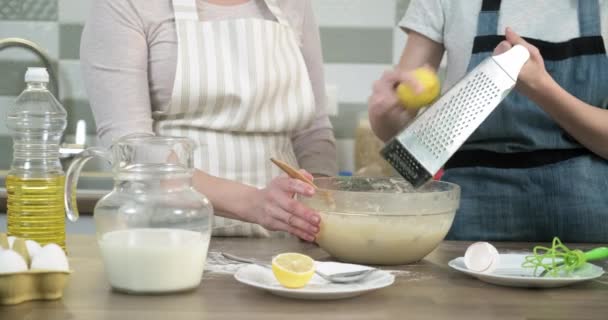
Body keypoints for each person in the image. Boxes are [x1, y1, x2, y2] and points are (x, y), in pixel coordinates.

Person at [80, 0, 337, 241]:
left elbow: (312, 131)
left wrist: (320, 208)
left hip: (285, 247)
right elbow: (131, 148)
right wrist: (252, 203)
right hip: (168, 240)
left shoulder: (292, 5)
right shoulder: (126, 5)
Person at [368, 0, 608, 242]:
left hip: (589, 215)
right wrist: (387, 114)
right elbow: (394, 126)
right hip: (469, 216)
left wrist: (540, 88)